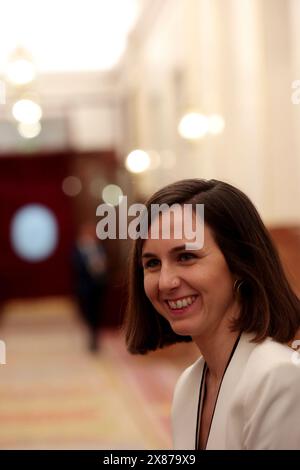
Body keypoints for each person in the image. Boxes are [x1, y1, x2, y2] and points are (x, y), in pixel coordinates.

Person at [124, 178, 300, 450]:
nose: (165, 282)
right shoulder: (190, 384)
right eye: (152, 263)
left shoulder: (279, 377)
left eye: (186, 257)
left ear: (240, 264)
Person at [73, 222, 108, 352]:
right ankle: (91, 333)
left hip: (98, 286)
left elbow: (104, 264)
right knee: (87, 313)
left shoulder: (99, 247)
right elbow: (76, 266)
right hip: (84, 287)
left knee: (96, 314)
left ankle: (94, 337)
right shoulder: (78, 248)